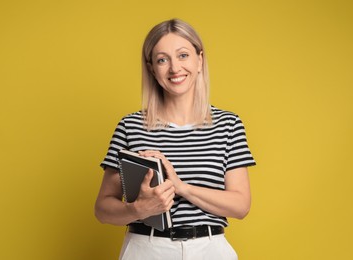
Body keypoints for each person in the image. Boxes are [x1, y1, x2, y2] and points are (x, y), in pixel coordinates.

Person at [95, 18, 256, 260]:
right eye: (162, 59)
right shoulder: (131, 126)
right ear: (152, 68)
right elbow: (103, 209)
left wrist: (181, 187)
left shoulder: (228, 125)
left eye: (183, 55)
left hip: (209, 249)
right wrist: (138, 209)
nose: (174, 68)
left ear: (199, 60)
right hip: (146, 249)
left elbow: (241, 205)